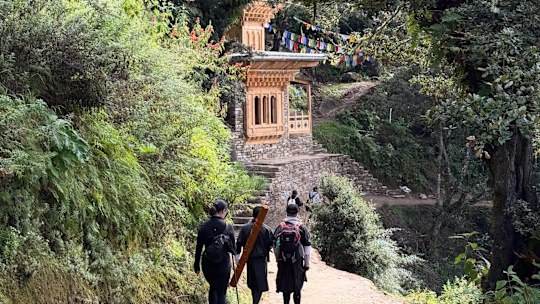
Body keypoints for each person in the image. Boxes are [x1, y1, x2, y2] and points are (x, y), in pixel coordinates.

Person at [194, 199, 236, 304]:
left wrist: (196, 265)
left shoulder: (204, 227)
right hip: (223, 264)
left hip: (208, 263)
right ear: (223, 211)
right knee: (222, 292)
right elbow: (233, 249)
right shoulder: (228, 227)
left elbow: (199, 248)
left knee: (213, 287)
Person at [235, 206, 274, 304]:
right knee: (259, 284)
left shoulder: (245, 228)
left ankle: (254, 301)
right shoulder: (266, 229)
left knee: (252, 283)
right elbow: (271, 243)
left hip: (250, 260)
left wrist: (237, 258)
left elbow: (238, 243)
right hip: (261, 260)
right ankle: (255, 302)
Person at [274, 204, 311, 304]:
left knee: (286, 285)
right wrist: (306, 264)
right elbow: (307, 247)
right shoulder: (301, 227)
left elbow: (275, 244)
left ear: (286, 211)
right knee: (297, 284)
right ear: (297, 212)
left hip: (284, 260)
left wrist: (278, 258)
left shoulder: (280, 227)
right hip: (297, 261)